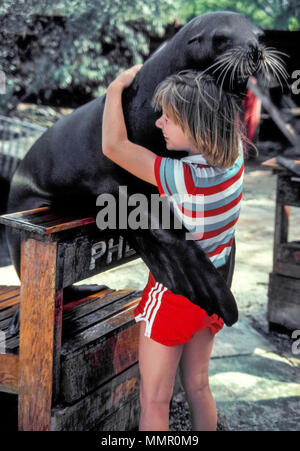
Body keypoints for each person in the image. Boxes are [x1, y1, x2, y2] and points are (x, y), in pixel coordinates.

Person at [102, 65, 245, 431]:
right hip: (213, 288)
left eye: (169, 118)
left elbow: (113, 146)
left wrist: (116, 88)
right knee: (198, 385)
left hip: (175, 295)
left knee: (154, 400)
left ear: (197, 126)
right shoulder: (236, 160)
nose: (159, 124)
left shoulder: (182, 178)